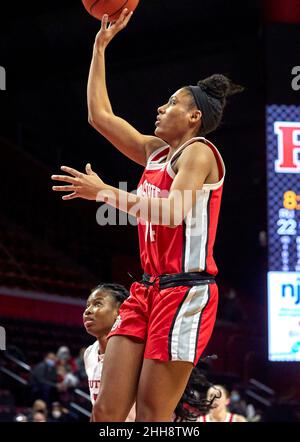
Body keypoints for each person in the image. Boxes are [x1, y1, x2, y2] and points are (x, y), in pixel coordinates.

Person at [51, 9, 243, 421]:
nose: (161, 106)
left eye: (172, 102)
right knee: (107, 413)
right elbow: (99, 117)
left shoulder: (200, 153)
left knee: (153, 418)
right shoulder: (156, 152)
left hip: (186, 292)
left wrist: (104, 192)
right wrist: (99, 48)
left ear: (195, 117)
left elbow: (173, 213)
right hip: (147, 290)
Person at [83, 283, 135, 422]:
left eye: (97, 304)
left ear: (119, 311)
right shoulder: (89, 353)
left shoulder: (135, 350)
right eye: (87, 305)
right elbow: (97, 405)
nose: (88, 310)